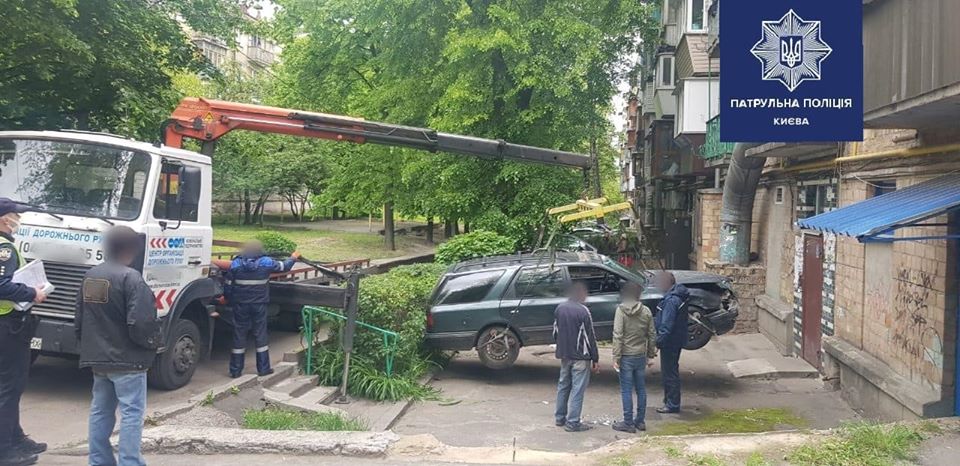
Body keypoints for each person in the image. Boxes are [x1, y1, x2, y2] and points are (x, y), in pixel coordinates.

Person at [75, 226, 161, 466]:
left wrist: (87, 346)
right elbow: (141, 322)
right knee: (131, 413)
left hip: (98, 358)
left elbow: (80, 317)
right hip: (128, 360)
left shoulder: (92, 275)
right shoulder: (131, 278)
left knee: (100, 411)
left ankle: (99, 461)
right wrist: (152, 346)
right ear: (130, 249)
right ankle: (130, 462)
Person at [0, 199, 48, 466]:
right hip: (8, 325)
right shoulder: (4, 248)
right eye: (14, 215)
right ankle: (4, 450)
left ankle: (15, 437)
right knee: (9, 387)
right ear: (3, 219)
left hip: (7, 324)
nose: (17, 220)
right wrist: (32, 293)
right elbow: (1, 286)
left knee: (11, 386)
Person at [226, 240, 299, 378]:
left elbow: (228, 285)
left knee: (239, 334)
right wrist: (293, 257)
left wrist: (229, 299)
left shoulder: (236, 263)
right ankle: (263, 369)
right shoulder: (266, 262)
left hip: (240, 304)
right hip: (259, 304)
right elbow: (284, 266)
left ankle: (235, 370)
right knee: (260, 335)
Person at [552, 281, 599, 432]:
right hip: (581, 356)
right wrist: (595, 358)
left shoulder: (560, 308)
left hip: (564, 354)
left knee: (563, 385)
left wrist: (561, 347)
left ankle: (560, 418)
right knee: (577, 389)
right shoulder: (583, 311)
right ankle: (573, 422)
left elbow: (555, 332)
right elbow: (590, 336)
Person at [611, 282, 657, 433]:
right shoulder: (646, 311)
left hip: (626, 355)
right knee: (641, 389)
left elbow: (618, 335)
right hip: (640, 355)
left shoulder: (621, 310)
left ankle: (628, 422)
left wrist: (616, 357)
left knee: (626, 390)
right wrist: (650, 355)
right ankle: (640, 421)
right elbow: (651, 334)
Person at [654, 271, 689, 414]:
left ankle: (672, 404)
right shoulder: (676, 297)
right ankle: (670, 401)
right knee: (671, 371)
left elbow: (666, 325)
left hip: (670, 342)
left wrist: (658, 342)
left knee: (669, 373)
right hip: (676, 340)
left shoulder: (671, 301)